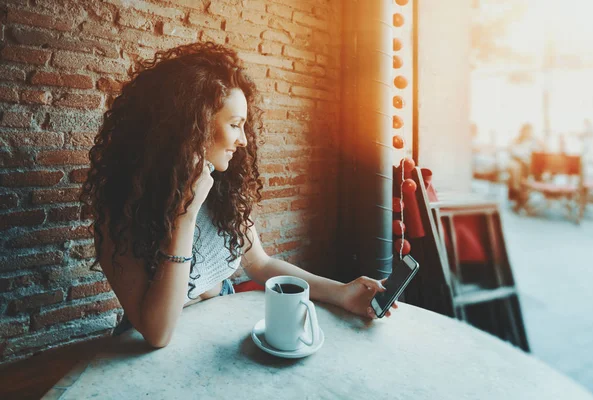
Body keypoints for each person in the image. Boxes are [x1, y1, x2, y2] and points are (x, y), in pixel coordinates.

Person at [80, 42, 399, 348]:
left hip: (218, 332)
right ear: (193, 127)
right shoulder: (119, 213)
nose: (244, 140)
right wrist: (185, 214)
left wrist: (342, 292)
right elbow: (157, 332)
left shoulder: (222, 187)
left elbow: (259, 264)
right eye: (235, 125)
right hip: (146, 355)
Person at [507, 123, 544, 203]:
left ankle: (518, 191)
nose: (528, 133)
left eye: (529, 131)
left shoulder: (534, 142)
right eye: (526, 131)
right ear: (522, 131)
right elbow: (512, 151)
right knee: (513, 167)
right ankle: (516, 190)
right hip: (519, 162)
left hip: (528, 164)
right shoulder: (516, 141)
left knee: (516, 168)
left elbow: (540, 152)